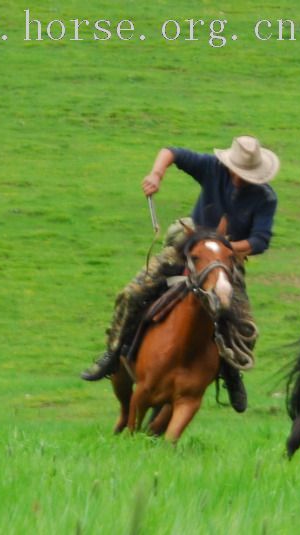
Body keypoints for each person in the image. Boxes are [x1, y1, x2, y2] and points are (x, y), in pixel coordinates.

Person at [80, 135, 280, 413]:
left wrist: (220, 249)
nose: (241, 178)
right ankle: (113, 352)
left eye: (248, 175)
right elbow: (171, 151)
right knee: (131, 294)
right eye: (239, 172)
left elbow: (260, 240)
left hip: (225, 260)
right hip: (187, 248)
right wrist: (156, 174)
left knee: (244, 324)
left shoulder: (265, 197)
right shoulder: (212, 167)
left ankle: (232, 374)